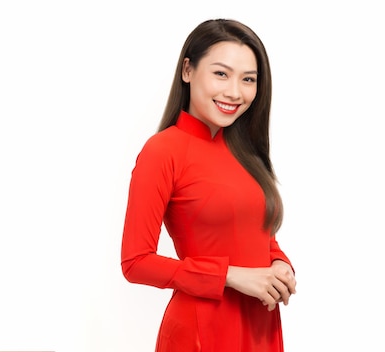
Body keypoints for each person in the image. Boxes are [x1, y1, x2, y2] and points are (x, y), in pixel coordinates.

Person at [120, 18, 297, 351]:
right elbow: (135, 262)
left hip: (260, 325)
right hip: (202, 330)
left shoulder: (244, 151)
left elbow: (257, 232)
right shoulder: (163, 151)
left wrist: (279, 262)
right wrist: (230, 276)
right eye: (221, 73)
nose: (234, 91)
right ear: (188, 70)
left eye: (248, 79)